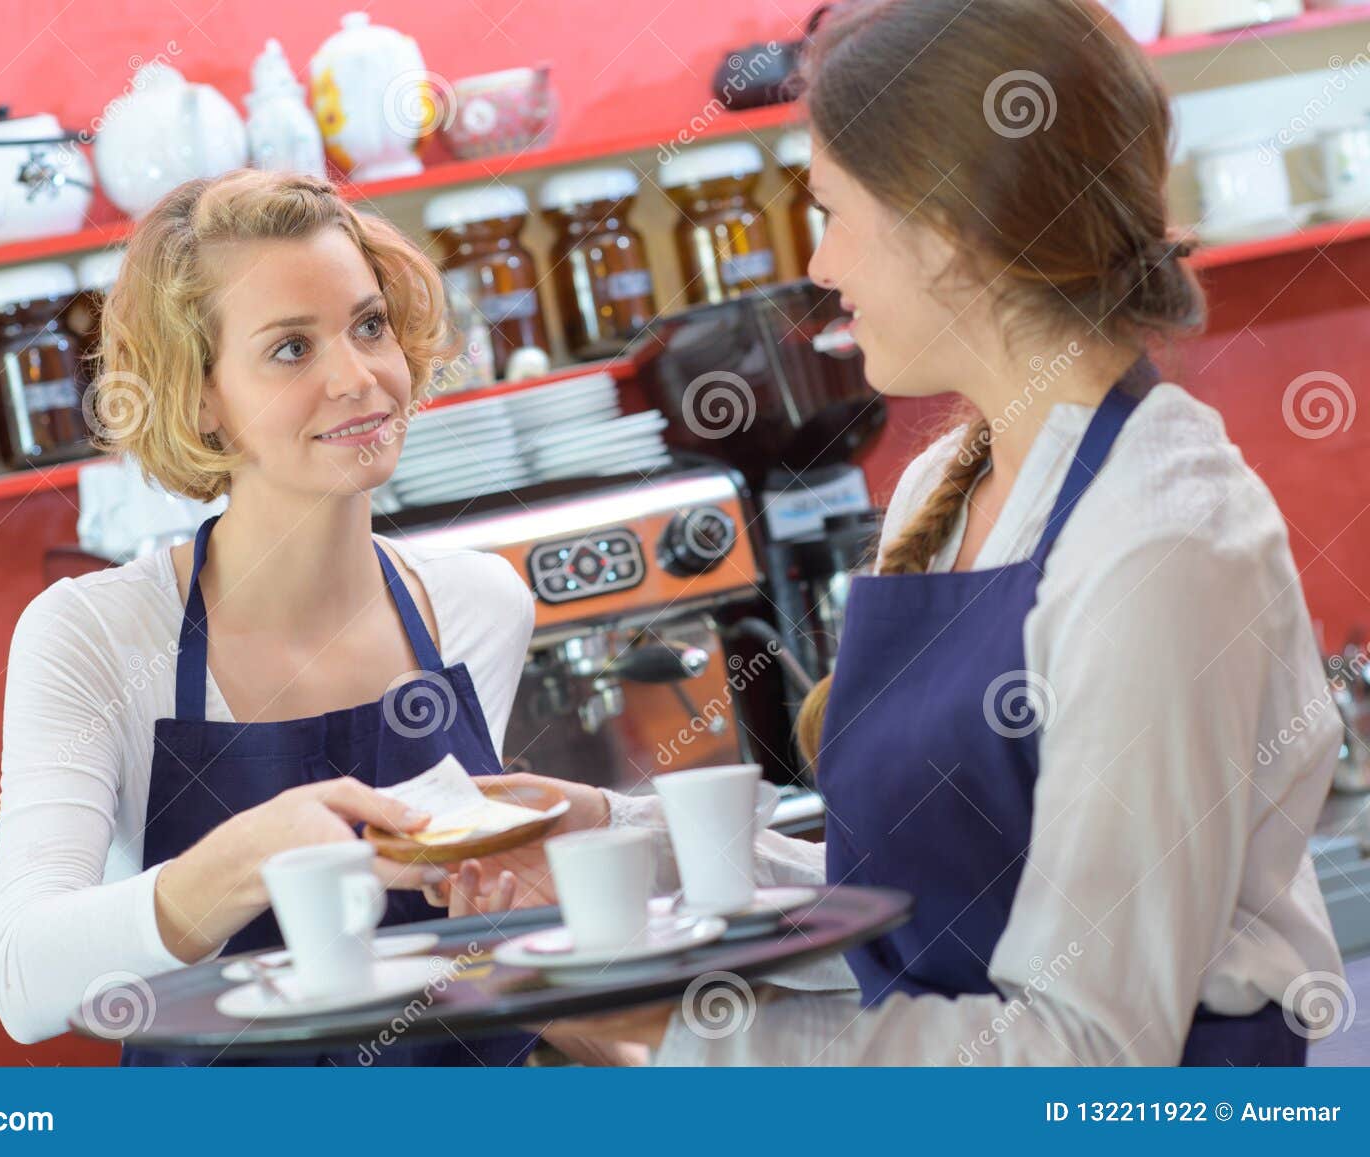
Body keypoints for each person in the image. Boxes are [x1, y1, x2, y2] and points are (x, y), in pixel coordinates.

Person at [480, 0, 1346, 1065]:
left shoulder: (1161, 546)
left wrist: (690, 1038)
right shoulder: (950, 482)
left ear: (949, 231)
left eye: (832, 211)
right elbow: (904, 905)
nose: (820, 264)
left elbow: (1084, 1049)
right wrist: (607, 838)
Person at [0, 169, 539, 1066]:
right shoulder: (96, 636)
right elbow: (21, 978)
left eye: (369, 325)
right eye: (291, 348)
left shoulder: (479, 607)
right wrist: (250, 858)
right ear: (200, 393)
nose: (358, 377)